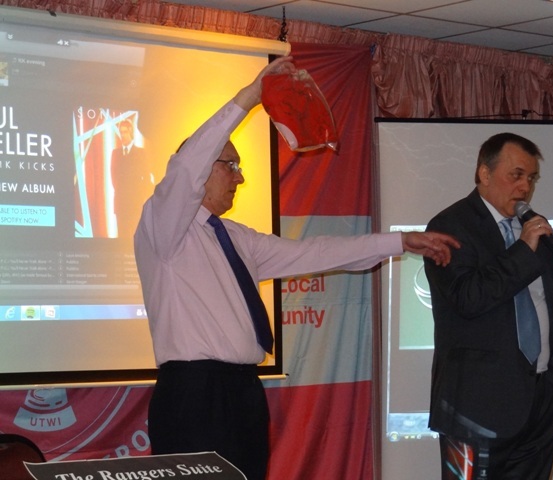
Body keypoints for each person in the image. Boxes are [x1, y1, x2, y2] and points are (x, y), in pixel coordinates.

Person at [134, 56, 460, 480]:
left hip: (243, 390)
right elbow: (186, 168)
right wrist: (249, 97)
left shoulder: (236, 238)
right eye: (230, 166)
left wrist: (399, 242)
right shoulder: (163, 226)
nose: (239, 178)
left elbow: (317, 253)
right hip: (193, 394)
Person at [423, 133, 553, 479]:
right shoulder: (448, 226)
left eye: (531, 178)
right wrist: (523, 250)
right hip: (474, 409)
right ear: (484, 174)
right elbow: (468, 298)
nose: (525, 187)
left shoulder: (532, 227)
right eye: (516, 175)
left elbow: (550, 305)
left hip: (540, 401)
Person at [111, 118, 153, 239]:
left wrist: (140, 197)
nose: (122, 135)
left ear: (131, 133)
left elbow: (146, 177)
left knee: (135, 237)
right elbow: (113, 178)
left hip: (136, 204)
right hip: (120, 203)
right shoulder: (115, 153)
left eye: (125, 132)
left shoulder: (140, 153)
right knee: (122, 237)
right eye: (121, 132)